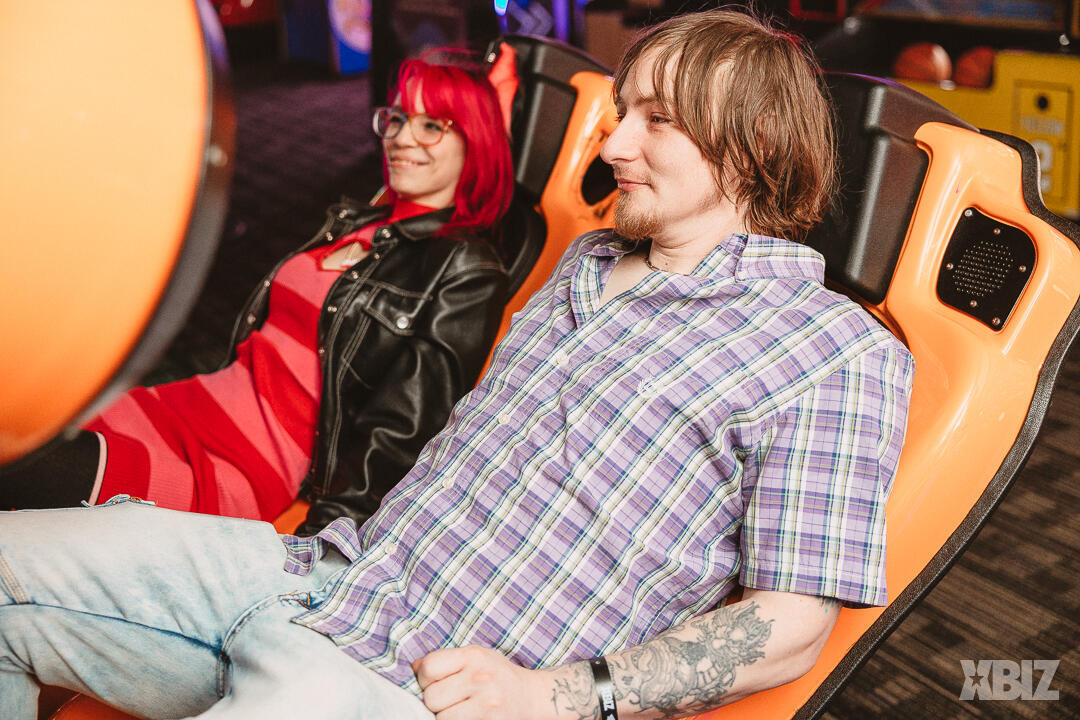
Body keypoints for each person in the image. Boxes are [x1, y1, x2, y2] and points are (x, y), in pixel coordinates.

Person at [0, 9, 915, 720]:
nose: (614, 146)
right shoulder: (588, 262)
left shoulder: (831, 351)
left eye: (657, 121)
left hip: (421, 683)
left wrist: (552, 697)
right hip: (323, 577)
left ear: (756, 145)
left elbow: (790, 625)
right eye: (620, 114)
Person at [0, 55, 512, 535]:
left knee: (25, 468)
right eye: (397, 119)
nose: (401, 137)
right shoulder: (359, 221)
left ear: (475, 140)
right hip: (190, 404)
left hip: (244, 461)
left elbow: (402, 427)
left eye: (431, 125)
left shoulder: (466, 268)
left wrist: (321, 544)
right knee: (22, 430)